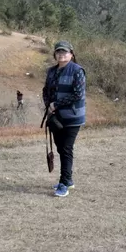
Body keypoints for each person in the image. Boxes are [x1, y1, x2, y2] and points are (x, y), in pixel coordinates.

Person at [42, 40, 86, 197]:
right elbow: (45, 90)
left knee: (66, 148)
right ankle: (69, 180)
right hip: (56, 117)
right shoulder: (51, 71)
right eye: (58, 52)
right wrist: (49, 105)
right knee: (60, 148)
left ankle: (63, 184)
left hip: (73, 117)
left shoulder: (77, 71)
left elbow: (78, 94)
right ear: (55, 54)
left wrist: (56, 104)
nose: (61, 54)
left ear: (71, 54)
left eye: (65, 52)